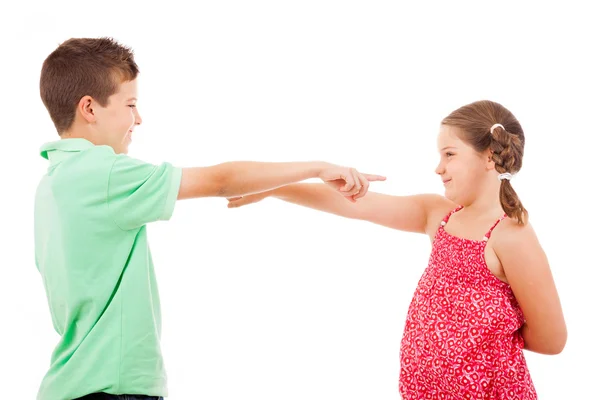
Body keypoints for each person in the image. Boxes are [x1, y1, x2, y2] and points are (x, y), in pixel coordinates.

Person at [34, 37, 385, 400]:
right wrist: (317, 167)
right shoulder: (104, 174)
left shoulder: (53, 183)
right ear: (89, 108)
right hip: (110, 389)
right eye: (131, 104)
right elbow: (221, 181)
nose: (139, 118)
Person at [227, 100, 567, 399]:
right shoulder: (438, 215)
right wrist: (276, 189)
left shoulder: (510, 235)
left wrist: (476, 345)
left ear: (489, 157)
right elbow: (353, 205)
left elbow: (551, 339)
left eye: (449, 154)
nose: (438, 167)